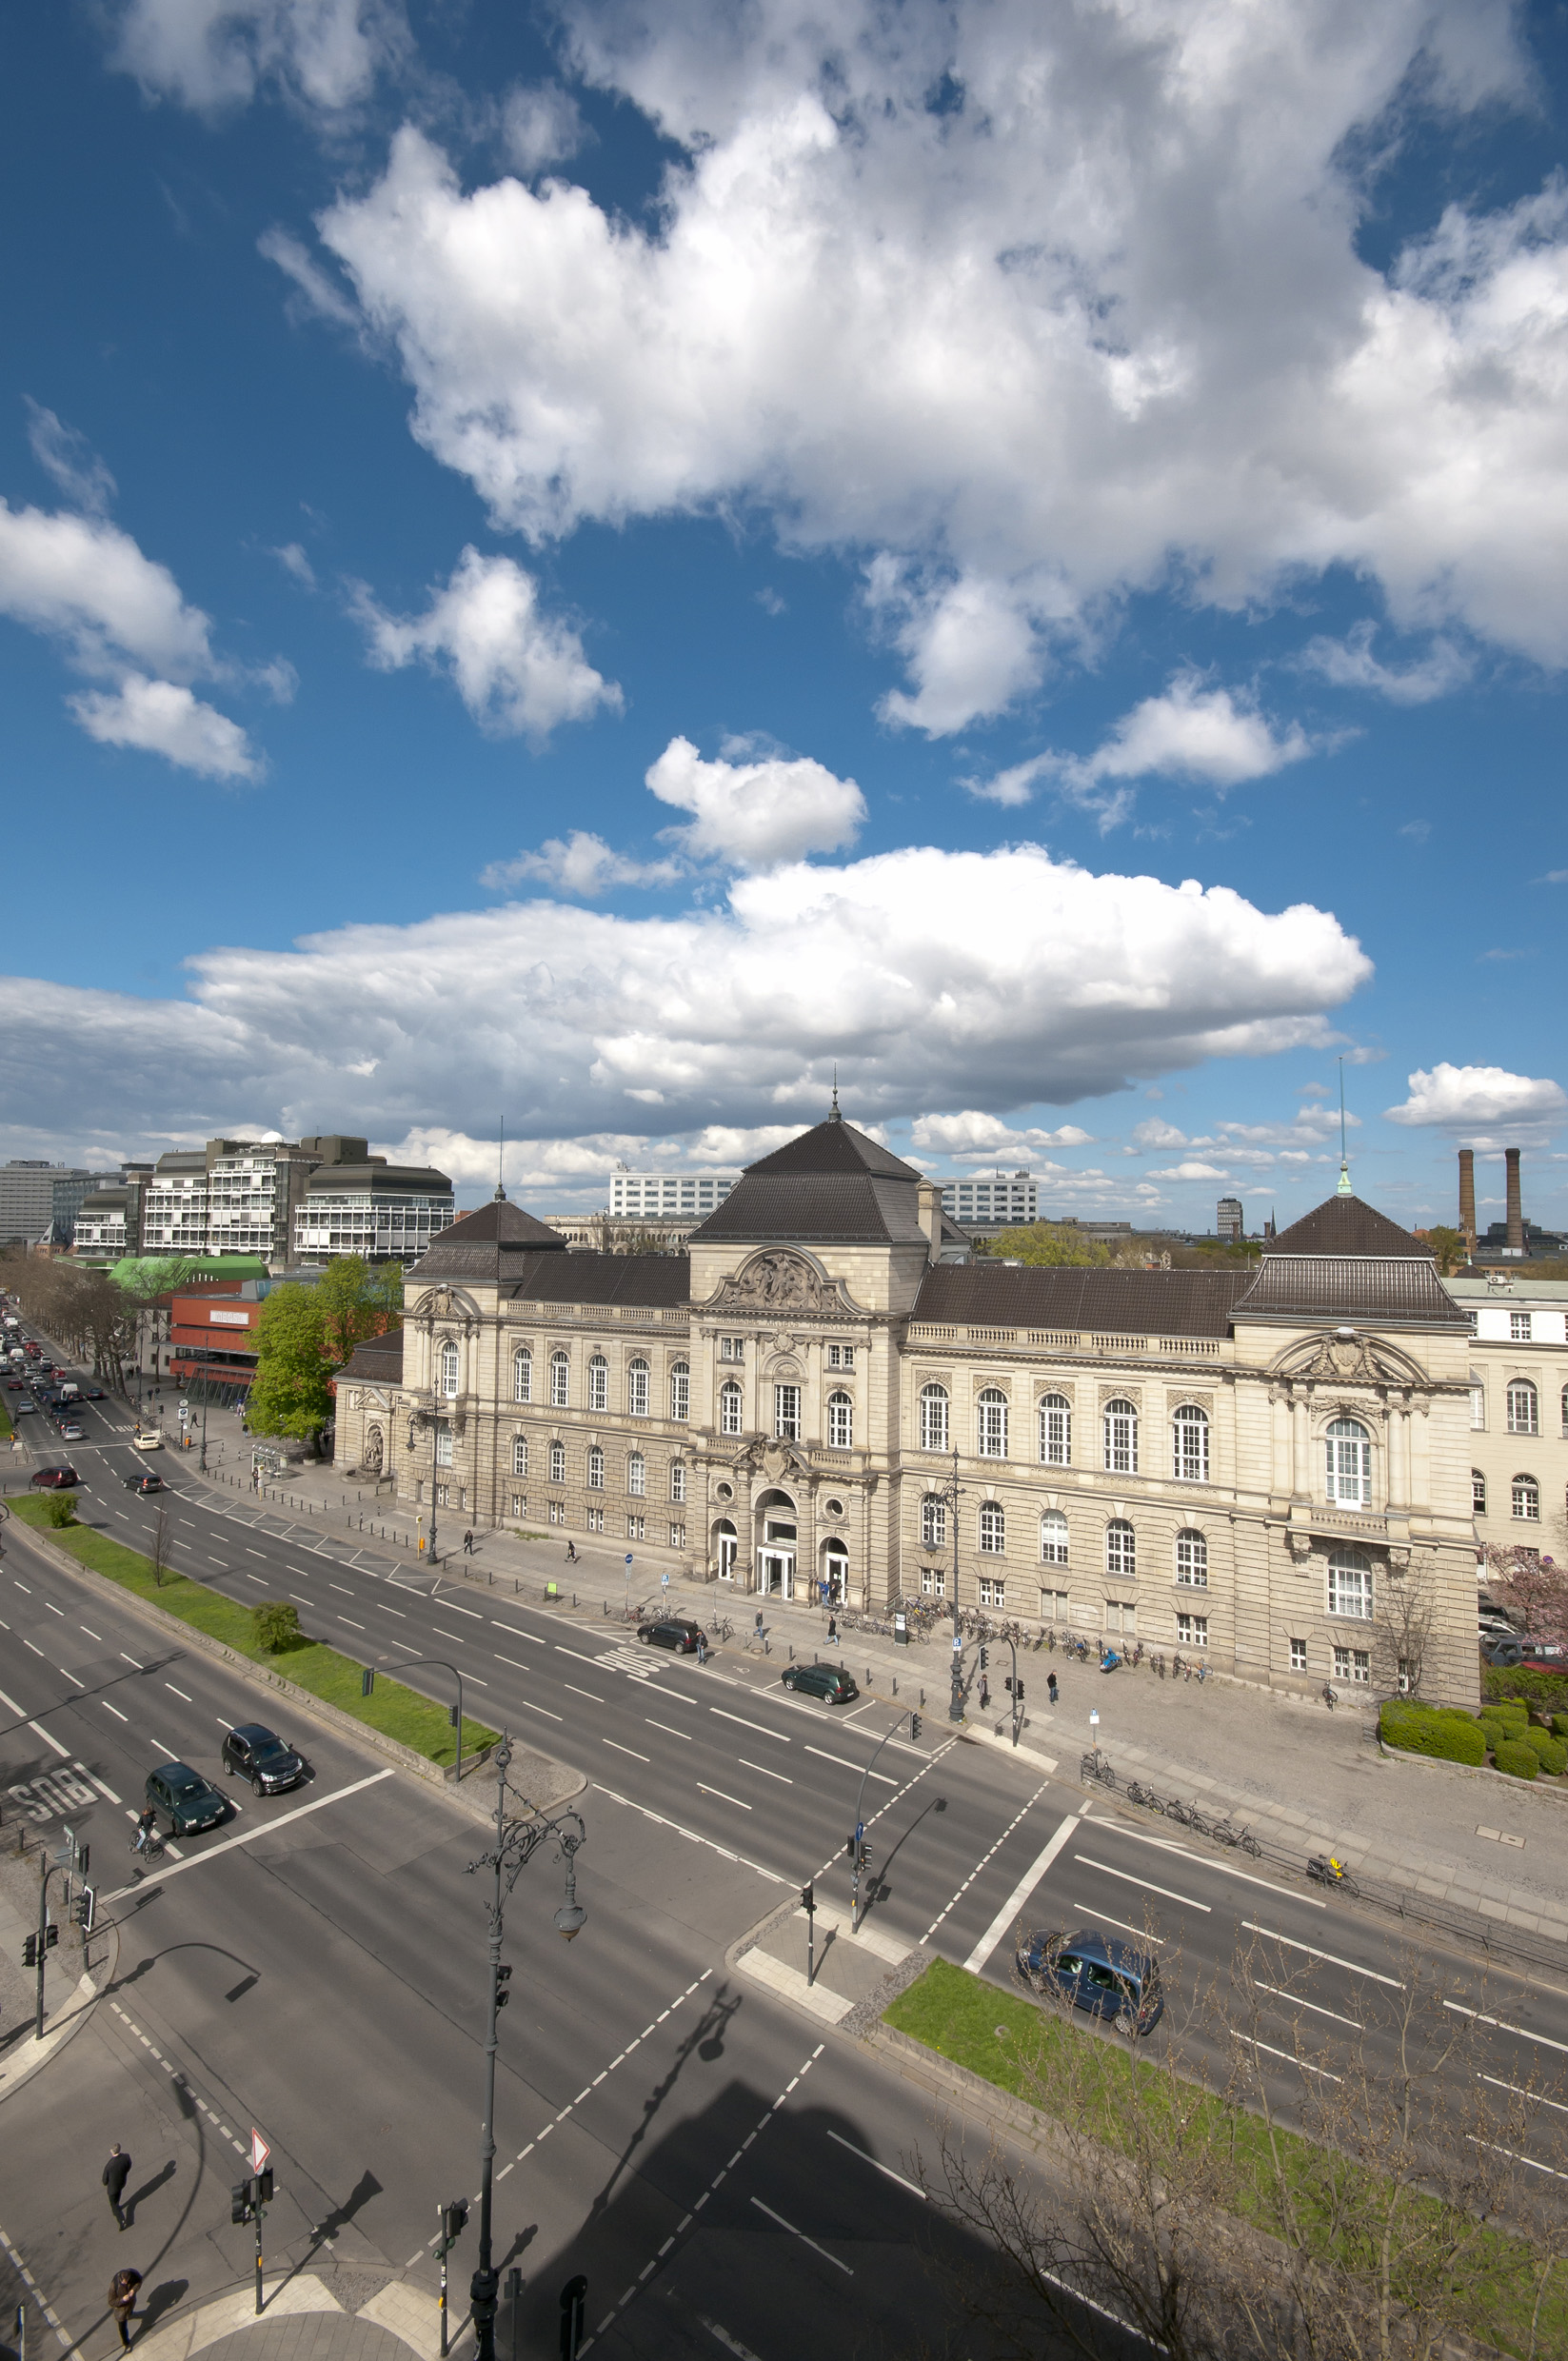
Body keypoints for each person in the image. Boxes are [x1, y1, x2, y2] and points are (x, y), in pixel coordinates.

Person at [108, 2269, 143, 2351]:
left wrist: (133, 2290)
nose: (126, 2283)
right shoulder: (115, 2285)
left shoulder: (133, 2275)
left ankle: (130, 2314)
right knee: (122, 2327)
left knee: (129, 2313)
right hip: (121, 2310)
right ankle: (126, 2342)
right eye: (124, 2281)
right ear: (121, 2279)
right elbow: (111, 2301)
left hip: (130, 2304)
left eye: (127, 2281)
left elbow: (139, 2282)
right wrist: (122, 2300)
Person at [103, 2146, 132, 2231]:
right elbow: (128, 2166)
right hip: (122, 2183)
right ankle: (118, 2205)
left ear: (112, 2152)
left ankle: (121, 2220)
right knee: (118, 2196)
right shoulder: (126, 2157)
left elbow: (105, 2181)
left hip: (112, 2189)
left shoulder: (109, 2165)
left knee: (113, 2206)